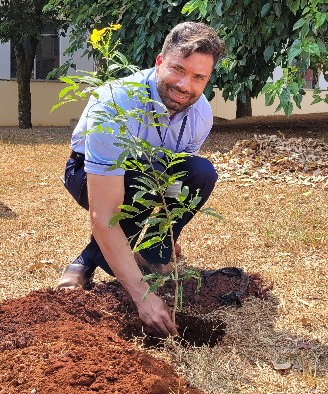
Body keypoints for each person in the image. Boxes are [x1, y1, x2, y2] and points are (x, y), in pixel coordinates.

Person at [57, 22, 226, 337]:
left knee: (200, 174)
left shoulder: (201, 114)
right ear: (160, 62)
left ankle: (152, 253)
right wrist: (143, 295)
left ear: (208, 79)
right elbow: (105, 213)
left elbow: (179, 174)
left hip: (152, 176)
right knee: (137, 186)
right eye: (178, 69)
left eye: (199, 77)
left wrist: (165, 222)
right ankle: (90, 260)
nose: (185, 85)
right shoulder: (115, 104)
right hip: (88, 173)